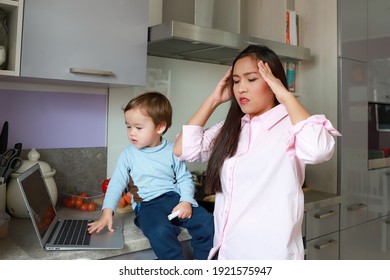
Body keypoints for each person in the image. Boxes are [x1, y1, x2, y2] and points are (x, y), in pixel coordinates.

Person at [173, 45, 341, 260]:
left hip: (270, 255)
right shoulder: (233, 127)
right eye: (236, 81)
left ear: (273, 81)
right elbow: (184, 150)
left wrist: (284, 95)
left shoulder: (292, 125)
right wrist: (214, 99)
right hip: (226, 253)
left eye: (251, 79)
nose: (241, 88)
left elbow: (318, 151)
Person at [88, 91, 214, 260]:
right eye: (128, 126)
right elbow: (116, 183)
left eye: (138, 127)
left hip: (174, 199)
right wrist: (107, 212)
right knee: (160, 231)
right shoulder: (128, 154)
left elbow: (184, 178)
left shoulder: (172, 150)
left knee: (207, 223)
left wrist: (185, 201)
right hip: (147, 205)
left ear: (160, 127)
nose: (132, 132)